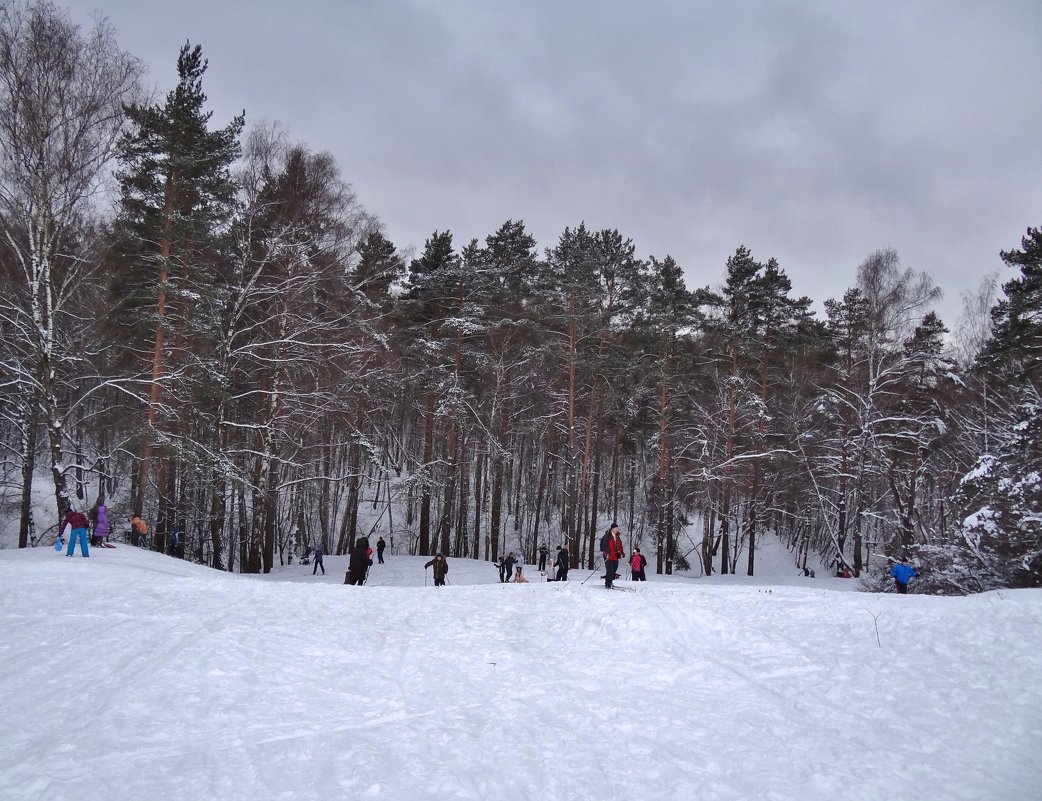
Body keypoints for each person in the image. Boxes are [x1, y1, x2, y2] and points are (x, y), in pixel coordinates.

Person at [600, 522, 625, 588]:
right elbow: (603, 545)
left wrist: (622, 553)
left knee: (614, 569)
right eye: (616, 528)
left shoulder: (618, 537)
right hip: (608, 555)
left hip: (616, 555)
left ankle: (610, 581)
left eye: (618, 528)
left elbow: (620, 546)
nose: (617, 529)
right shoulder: (607, 536)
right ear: (612, 529)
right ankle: (608, 583)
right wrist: (607, 552)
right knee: (610, 569)